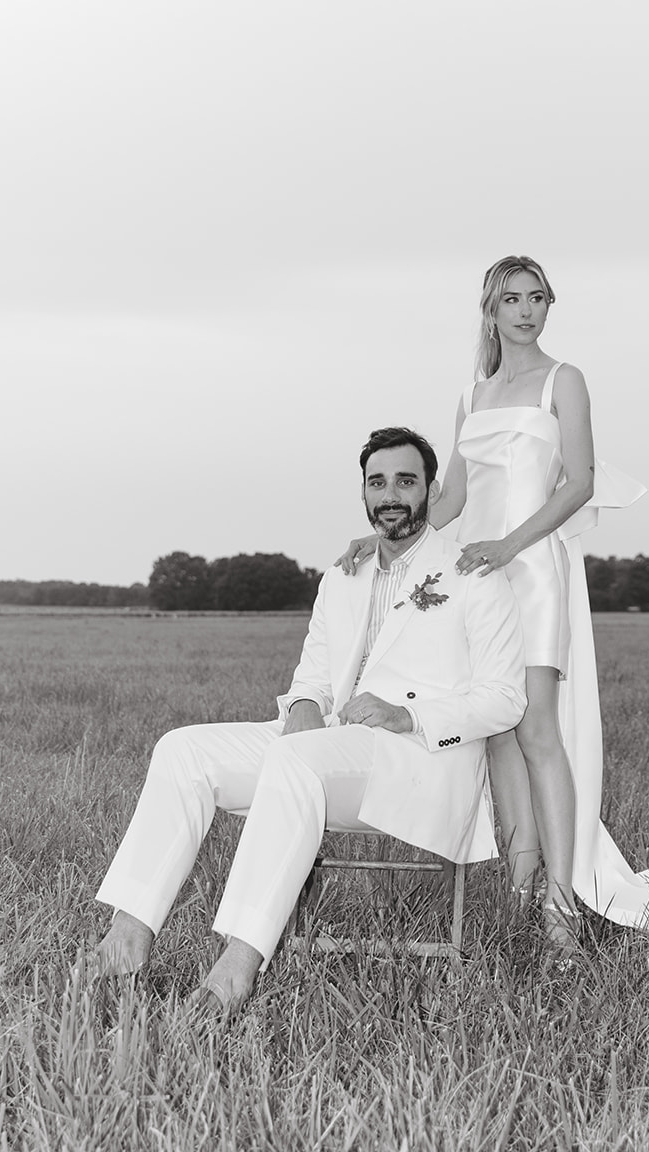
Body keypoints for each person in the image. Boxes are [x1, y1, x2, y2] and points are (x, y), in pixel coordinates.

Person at [341, 256, 649, 943]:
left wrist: (510, 546)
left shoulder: (563, 380)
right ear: (490, 310)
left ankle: (561, 905)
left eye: (537, 297)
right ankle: (518, 892)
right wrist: (385, 535)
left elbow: (579, 481)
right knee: (498, 735)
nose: (526, 310)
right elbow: (451, 499)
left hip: (532, 568)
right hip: (475, 575)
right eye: (512, 299)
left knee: (537, 732)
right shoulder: (471, 396)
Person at [95, 426, 526, 1010]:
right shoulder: (343, 575)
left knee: (298, 761)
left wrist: (407, 715)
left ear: (432, 489)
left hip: (417, 762)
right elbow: (313, 679)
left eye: (405, 481)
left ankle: (236, 970)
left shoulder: (473, 573)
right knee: (182, 750)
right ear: (363, 492)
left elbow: (505, 698)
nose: (390, 495)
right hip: (325, 748)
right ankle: (128, 938)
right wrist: (302, 709)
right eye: (377, 483)